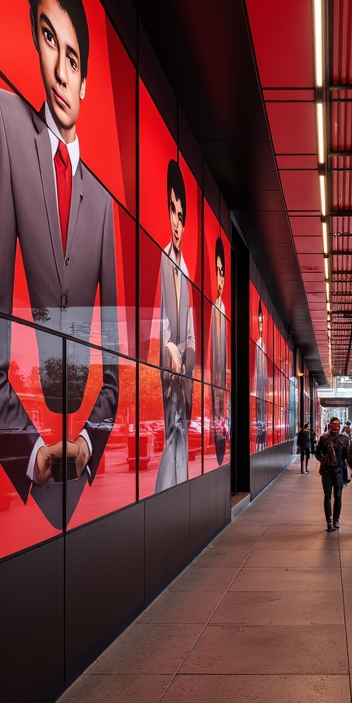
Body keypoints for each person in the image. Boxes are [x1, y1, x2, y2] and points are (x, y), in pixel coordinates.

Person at [0, 0, 119, 529]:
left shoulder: (103, 203)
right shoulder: (4, 124)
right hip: (30, 439)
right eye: (49, 37)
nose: (59, 68)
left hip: (79, 443)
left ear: (86, 82)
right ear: (34, 38)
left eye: (74, 56)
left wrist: (87, 442)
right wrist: (33, 450)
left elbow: (117, 354)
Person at [155, 159, 197, 492]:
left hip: (181, 380)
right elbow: (149, 315)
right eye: (173, 211)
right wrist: (167, 344)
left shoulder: (187, 273)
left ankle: (177, 491)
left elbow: (192, 336)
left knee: (179, 438)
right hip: (165, 377)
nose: (177, 223)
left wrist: (187, 358)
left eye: (182, 216)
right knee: (171, 439)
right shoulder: (160, 258)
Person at [209, 236, 228, 464]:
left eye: (223, 272)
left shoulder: (222, 310)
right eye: (218, 271)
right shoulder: (214, 309)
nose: (220, 277)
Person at [314, 416, 349, 530]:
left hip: (339, 471)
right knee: (327, 496)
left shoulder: (344, 438)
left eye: (338, 425)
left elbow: (346, 455)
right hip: (327, 471)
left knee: (338, 496)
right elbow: (317, 452)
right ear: (330, 425)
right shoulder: (324, 438)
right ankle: (328, 521)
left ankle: (336, 519)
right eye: (334, 425)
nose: (336, 427)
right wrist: (324, 460)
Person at [253, 302, 268, 451]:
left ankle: (262, 441)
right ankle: (259, 441)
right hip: (258, 389)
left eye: (262, 321)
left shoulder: (263, 345)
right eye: (259, 321)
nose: (261, 325)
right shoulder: (258, 344)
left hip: (263, 390)